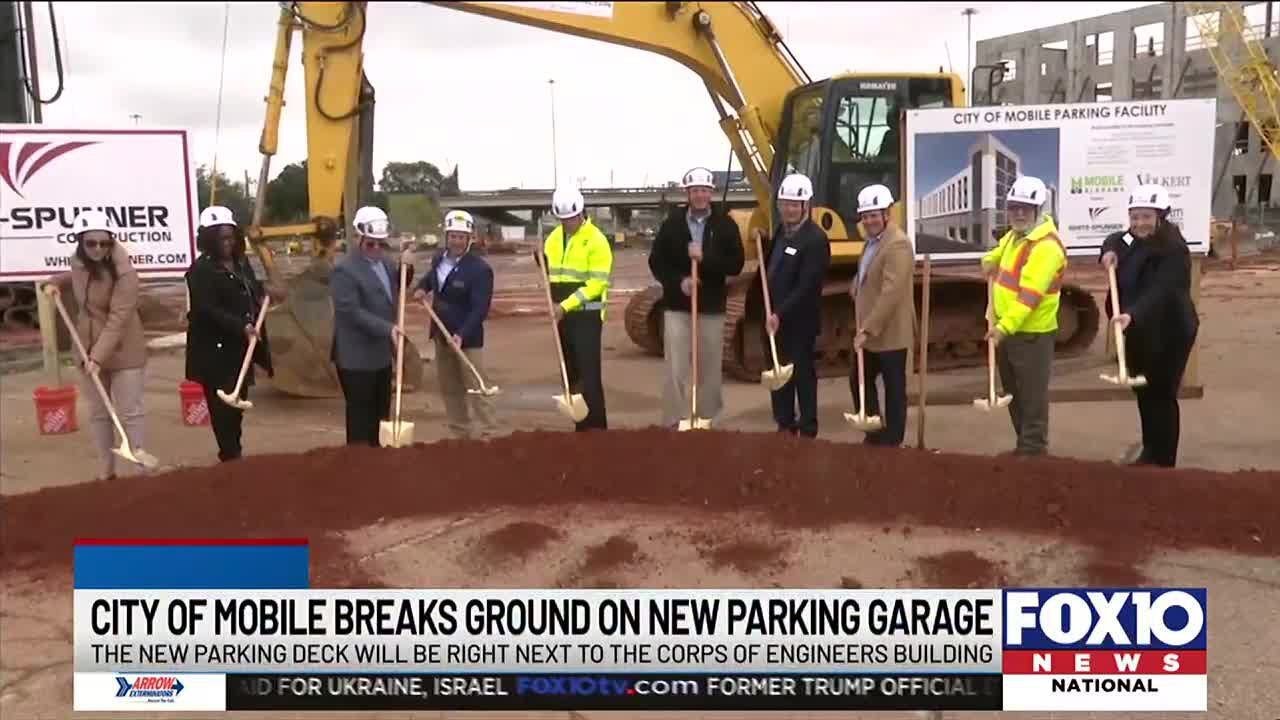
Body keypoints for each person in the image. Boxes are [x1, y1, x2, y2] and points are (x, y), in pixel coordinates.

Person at [41, 210, 147, 480]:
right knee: (100, 414)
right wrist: (55, 282)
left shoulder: (126, 274)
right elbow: (77, 275)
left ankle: (140, 466)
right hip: (87, 348)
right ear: (81, 242)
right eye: (91, 243)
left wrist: (98, 357)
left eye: (105, 243)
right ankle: (106, 469)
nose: (98, 249)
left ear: (112, 242)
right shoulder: (79, 263)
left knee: (129, 411)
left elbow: (119, 318)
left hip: (123, 349)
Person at [1101, 184, 1199, 468]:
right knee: (1143, 390)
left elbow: (1162, 290)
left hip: (1169, 331)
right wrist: (1107, 252)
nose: (1139, 223)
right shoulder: (1132, 238)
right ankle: (1150, 452)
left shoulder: (1172, 249)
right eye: (1134, 216)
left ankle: (1164, 461)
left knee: (1162, 394)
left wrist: (1133, 314)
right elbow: (1115, 239)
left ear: (1161, 216)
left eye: (1145, 216)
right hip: (1140, 330)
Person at [647, 166, 745, 428]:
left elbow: (735, 264)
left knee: (710, 368)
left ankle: (706, 418)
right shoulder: (672, 224)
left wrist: (706, 259)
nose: (700, 195)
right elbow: (657, 261)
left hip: (711, 306)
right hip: (677, 306)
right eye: (695, 191)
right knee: (675, 368)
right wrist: (680, 282)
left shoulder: (725, 225)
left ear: (711, 193)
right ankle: (675, 420)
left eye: (704, 190)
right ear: (687, 193)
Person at [980, 175, 1068, 456]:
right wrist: (991, 260)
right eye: (1014, 207)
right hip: (1010, 329)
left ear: (1038, 209)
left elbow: (1028, 297)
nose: (1018, 213)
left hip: (1031, 334)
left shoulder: (1046, 247)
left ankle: (1033, 451)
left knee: (1031, 396)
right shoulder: (1016, 235)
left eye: (1025, 208)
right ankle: (1024, 446)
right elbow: (1000, 251)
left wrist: (1004, 328)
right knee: (1015, 392)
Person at [184, 205, 279, 462]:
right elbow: (207, 309)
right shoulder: (200, 271)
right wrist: (240, 326)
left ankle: (234, 451)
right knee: (222, 411)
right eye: (221, 238)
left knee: (236, 410)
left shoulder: (240, 263)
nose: (227, 243)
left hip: (240, 349)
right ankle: (229, 455)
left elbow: (250, 290)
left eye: (230, 237)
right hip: (214, 353)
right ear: (208, 240)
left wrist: (264, 294)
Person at [330, 205, 414, 446]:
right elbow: (350, 311)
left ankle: (379, 466)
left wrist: (407, 267)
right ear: (357, 238)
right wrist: (387, 329)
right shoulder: (344, 270)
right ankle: (358, 468)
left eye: (381, 243)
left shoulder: (386, 264)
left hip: (381, 355)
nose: (377, 249)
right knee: (360, 419)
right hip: (355, 357)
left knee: (380, 416)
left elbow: (396, 290)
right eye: (371, 244)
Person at [412, 209, 499, 439]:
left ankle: (489, 433)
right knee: (450, 388)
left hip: (467, 340)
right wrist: (422, 288)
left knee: (477, 386)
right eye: (453, 236)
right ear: (447, 236)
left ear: (469, 238)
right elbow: (433, 278)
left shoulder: (480, 270)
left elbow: (480, 308)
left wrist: (461, 334)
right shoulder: (439, 258)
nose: (457, 241)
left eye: (462, 237)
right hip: (441, 334)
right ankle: (461, 433)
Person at [764, 173, 831, 438]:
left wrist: (781, 313)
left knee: (802, 375)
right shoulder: (781, 232)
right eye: (785, 204)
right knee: (778, 374)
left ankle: (808, 427)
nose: (789, 209)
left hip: (799, 321)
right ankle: (784, 423)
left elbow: (807, 286)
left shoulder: (814, 239)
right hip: (774, 319)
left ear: (806, 206)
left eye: (794, 204)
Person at [848, 184, 915, 447]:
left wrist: (867, 330)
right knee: (858, 380)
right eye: (865, 216)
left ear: (887, 214)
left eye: (874, 215)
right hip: (870, 331)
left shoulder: (898, 244)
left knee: (894, 389)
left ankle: (892, 439)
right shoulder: (871, 243)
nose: (869, 221)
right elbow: (871, 273)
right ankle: (873, 430)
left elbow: (891, 293)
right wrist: (857, 281)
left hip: (889, 334)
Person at [542, 186, 613, 431]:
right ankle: (580, 426)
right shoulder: (552, 239)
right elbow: (553, 275)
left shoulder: (596, 240)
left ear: (581, 212)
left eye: (571, 218)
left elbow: (597, 282)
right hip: (562, 314)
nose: (567, 223)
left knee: (588, 374)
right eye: (562, 219)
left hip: (587, 315)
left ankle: (596, 428)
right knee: (571, 372)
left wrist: (566, 305)